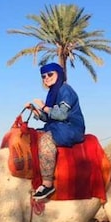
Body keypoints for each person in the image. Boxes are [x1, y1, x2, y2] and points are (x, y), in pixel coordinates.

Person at [25, 63, 85, 200]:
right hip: (57, 126)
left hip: (70, 127)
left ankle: (47, 183)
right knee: (34, 136)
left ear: (59, 74)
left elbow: (62, 115)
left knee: (46, 139)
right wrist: (34, 110)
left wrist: (44, 106)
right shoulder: (52, 93)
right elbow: (48, 117)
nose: (46, 78)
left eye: (50, 74)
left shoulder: (65, 90)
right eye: (43, 76)